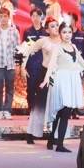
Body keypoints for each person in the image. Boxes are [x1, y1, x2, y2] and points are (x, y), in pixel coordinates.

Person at [42, 23, 84, 153]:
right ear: (60, 33)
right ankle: (57, 143)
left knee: (63, 112)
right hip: (61, 80)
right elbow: (52, 63)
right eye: (64, 32)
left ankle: (54, 140)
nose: (67, 35)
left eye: (69, 32)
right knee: (62, 111)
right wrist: (46, 78)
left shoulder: (74, 47)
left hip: (72, 80)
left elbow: (82, 62)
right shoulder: (57, 48)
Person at [20, 15, 59, 144]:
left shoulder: (63, 40)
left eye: (57, 25)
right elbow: (26, 51)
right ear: (47, 30)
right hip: (44, 74)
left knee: (58, 105)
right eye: (52, 26)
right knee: (39, 105)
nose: (56, 28)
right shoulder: (43, 41)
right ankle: (30, 133)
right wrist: (22, 67)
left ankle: (55, 135)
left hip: (59, 76)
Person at [0, 8, 21, 120]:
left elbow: (18, 49)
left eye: (5, 16)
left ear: (9, 17)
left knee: (10, 88)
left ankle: (7, 110)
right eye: (1, 16)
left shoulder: (15, 31)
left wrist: (18, 64)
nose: (3, 18)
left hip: (11, 64)